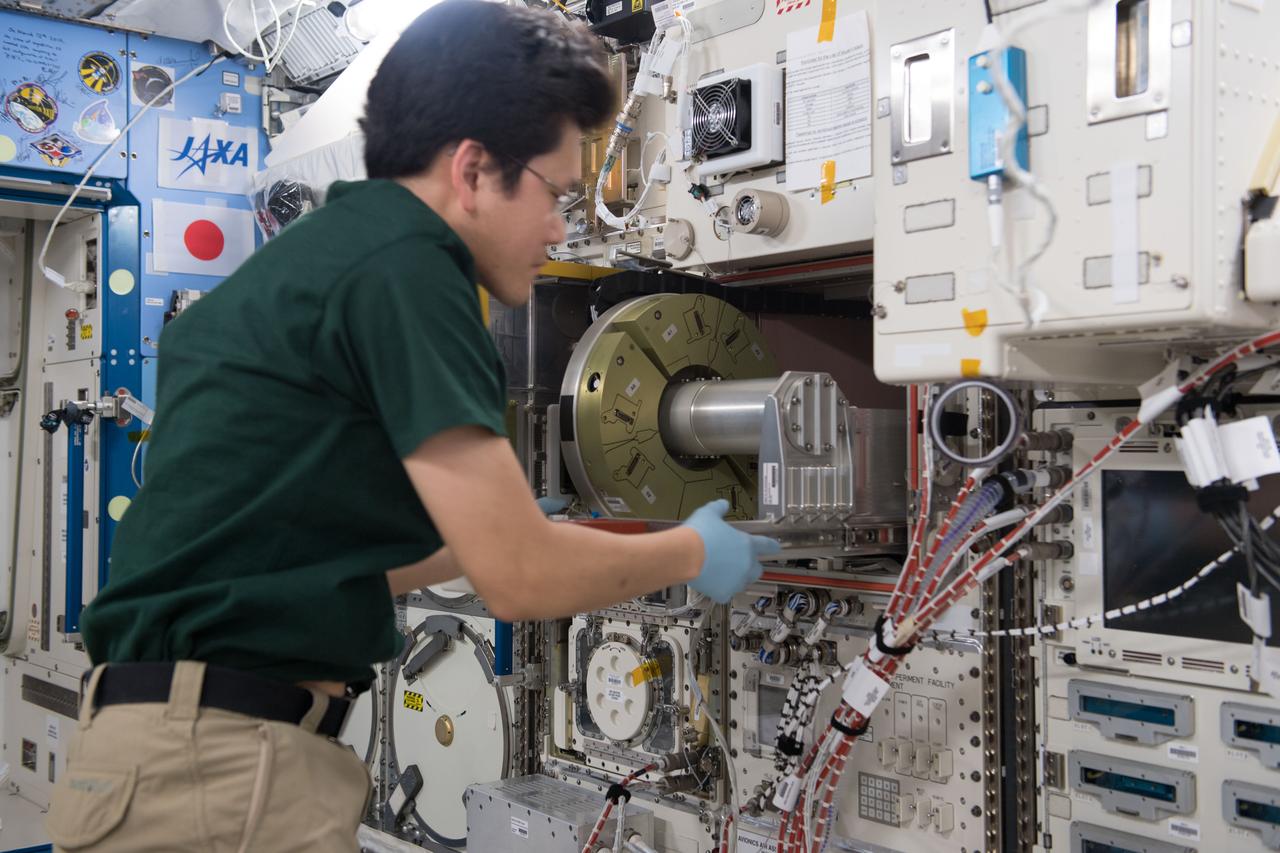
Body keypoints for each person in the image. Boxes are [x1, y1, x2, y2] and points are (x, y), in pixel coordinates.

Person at [44, 2, 779, 850]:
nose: (557, 227)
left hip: (167, 758)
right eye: (554, 194)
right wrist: (692, 548)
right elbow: (519, 582)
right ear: (471, 170)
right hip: (216, 776)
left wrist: (512, 533)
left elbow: (313, 560)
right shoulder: (408, 269)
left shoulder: (314, 261)